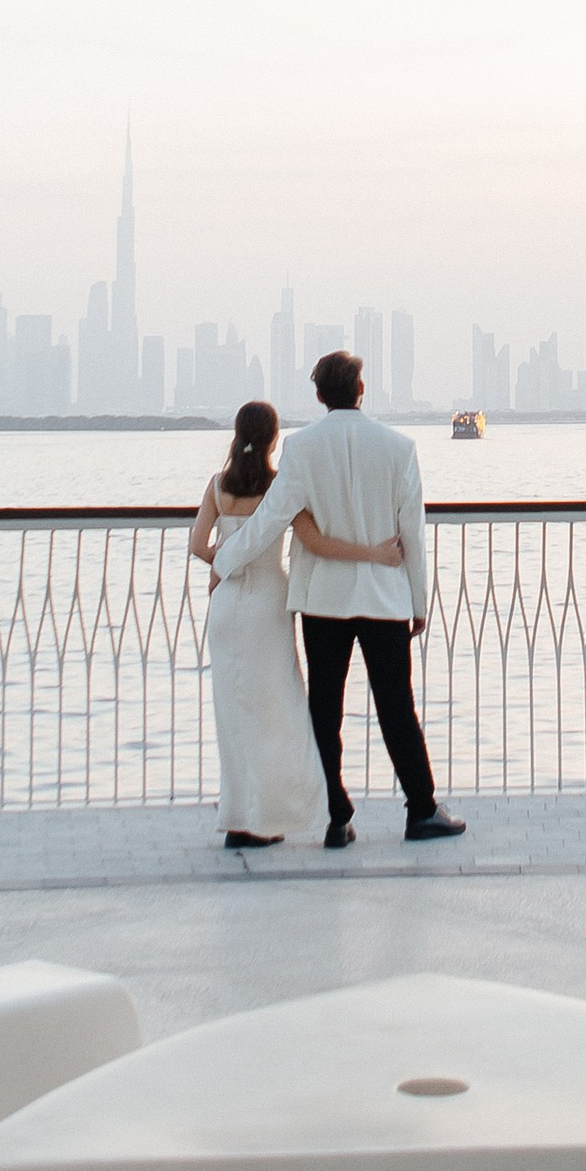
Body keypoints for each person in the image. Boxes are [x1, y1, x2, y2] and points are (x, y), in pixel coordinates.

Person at [263, 347, 466, 849]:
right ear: (361, 390)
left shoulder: (299, 447)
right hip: (384, 596)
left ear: (318, 395)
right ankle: (421, 810)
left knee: (324, 708)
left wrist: (223, 562)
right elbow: (412, 532)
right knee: (397, 707)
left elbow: (273, 516)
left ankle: (336, 817)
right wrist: (419, 603)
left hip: (323, 599)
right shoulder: (399, 447)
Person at [187, 398, 398, 849]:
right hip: (267, 606)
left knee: (233, 716)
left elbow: (198, 545)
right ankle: (268, 818)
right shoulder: (280, 486)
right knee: (276, 716)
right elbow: (316, 544)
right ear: (274, 438)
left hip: (224, 606)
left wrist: (224, 563)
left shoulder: (216, 486)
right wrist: (374, 554)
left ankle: (238, 820)